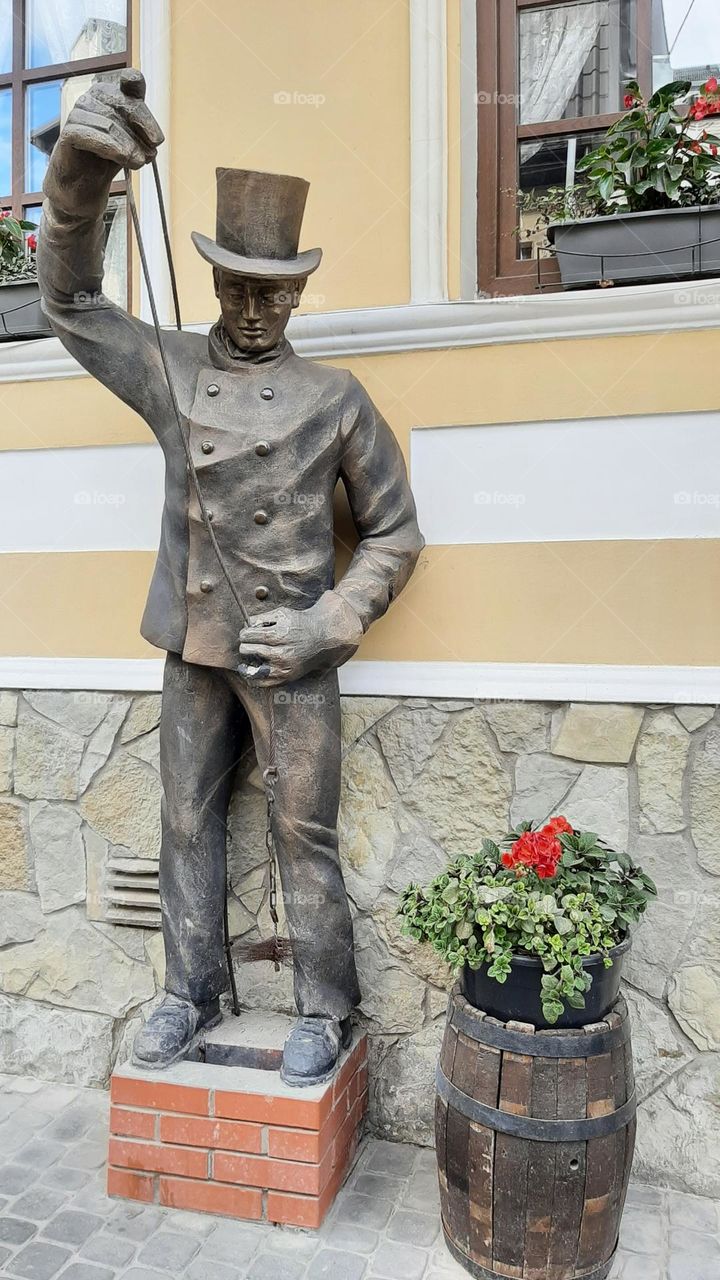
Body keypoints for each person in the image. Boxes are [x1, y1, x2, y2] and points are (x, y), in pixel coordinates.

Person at [37, 69, 424, 1086]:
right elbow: (69, 298)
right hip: (194, 641)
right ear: (213, 282)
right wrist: (78, 174)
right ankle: (190, 988)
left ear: (300, 289)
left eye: (275, 290)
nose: (255, 309)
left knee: (305, 834)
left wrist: (330, 621)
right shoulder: (169, 367)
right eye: (239, 288)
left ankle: (326, 1008)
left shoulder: (338, 397)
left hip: (294, 652)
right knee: (182, 821)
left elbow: (395, 533)